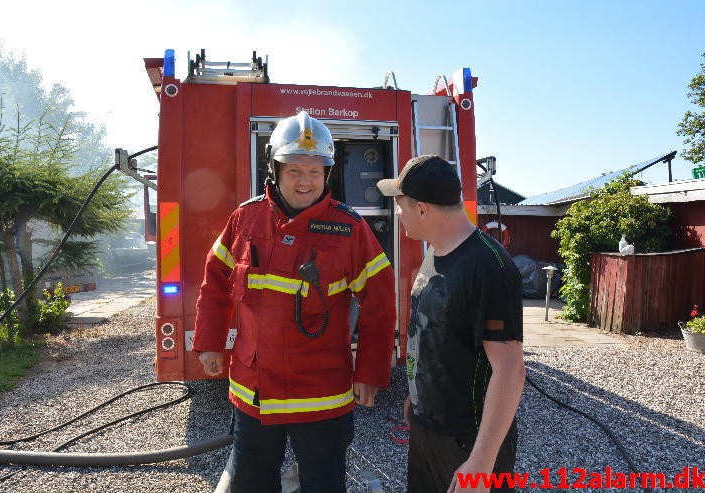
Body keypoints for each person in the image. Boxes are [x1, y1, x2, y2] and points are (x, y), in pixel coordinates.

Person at [193, 111, 396, 493]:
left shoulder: (350, 229)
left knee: (322, 485)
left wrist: (370, 372)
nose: (306, 181)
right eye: (295, 171)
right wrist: (209, 342)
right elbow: (215, 282)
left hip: (320, 394)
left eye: (316, 171)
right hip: (254, 392)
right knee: (250, 483)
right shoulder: (245, 219)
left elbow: (381, 304)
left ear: (327, 175)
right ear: (275, 169)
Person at [377, 155, 525, 493]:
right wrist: (418, 396)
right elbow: (433, 333)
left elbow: (510, 370)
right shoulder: (436, 251)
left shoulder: (490, 267)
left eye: (400, 206)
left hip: (467, 441)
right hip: (427, 429)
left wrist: (482, 463)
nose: (397, 214)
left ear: (423, 209)